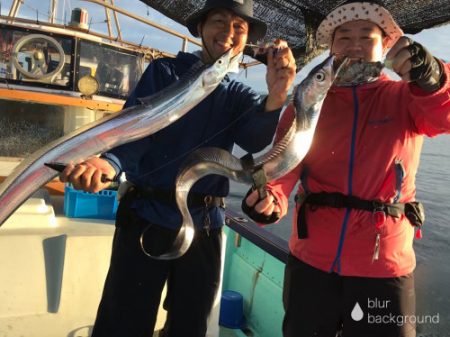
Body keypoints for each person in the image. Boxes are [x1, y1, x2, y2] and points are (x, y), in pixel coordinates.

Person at [60, 0, 296, 336]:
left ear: (247, 40)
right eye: (219, 21)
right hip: (145, 214)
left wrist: (277, 94)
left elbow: (255, 138)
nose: (228, 34)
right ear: (200, 28)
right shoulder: (164, 73)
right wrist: (109, 162)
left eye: (239, 28)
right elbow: (136, 131)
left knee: (190, 324)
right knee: (123, 322)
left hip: (204, 225)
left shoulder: (240, 95)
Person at [242, 1, 450, 336]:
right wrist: (270, 199)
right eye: (344, 37)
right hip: (311, 261)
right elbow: (284, 166)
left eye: (366, 36)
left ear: (384, 45)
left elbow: (445, 114)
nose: (354, 45)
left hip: (384, 265)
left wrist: (434, 77)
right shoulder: (307, 100)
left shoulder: (406, 96)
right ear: (331, 47)